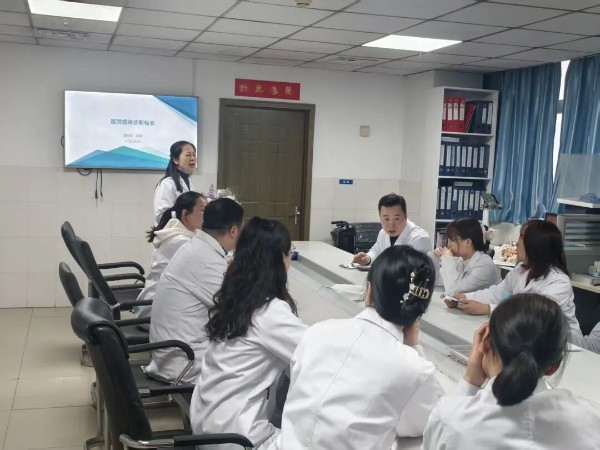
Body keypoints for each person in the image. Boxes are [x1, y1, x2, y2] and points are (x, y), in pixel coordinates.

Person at [278, 246, 444, 450]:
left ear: (369, 290)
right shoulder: (413, 368)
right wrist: (414, 348)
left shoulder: (316, 332)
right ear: (420, 310)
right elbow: (430, 422)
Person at [423, 293, 600, 449]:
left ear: (484, 342)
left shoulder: (449, 419)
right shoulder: (591, 420)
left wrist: (470, 380)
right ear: (554, 366)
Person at [190, 218, 308, 450]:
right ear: (281, 259)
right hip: (238, 437)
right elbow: (316, 349)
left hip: (208, 424)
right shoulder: (269, 311)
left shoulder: (238, 297)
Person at [145, 198, 243, 384]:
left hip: (172, 351)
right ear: (233, 231)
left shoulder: (196, 247)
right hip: (184, 360)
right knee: (255, 355)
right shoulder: (205, 259)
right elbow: (238, 308)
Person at [447, 220, 583, 346]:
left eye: (522, 238)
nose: (517, 243)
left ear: (535, 244)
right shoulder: (521, 270)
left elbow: (535, 314)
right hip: (529, 341)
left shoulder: (559, 282)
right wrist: (465, 298)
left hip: (565, 347)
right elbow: (499, 293)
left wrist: (488, 309)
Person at [135, 191, 206, 318]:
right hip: (156, 311)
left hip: (161, 303)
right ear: (185, 214)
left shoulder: (179, 235)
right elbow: (204, 272)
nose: (206, 215)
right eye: (202, 210)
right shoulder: (180, 241)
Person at [352, 194, 431, 265]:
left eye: (396, 219)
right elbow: (376, 250)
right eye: (386, 219)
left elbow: (421, 270)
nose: (391, 225)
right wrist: (368, 258)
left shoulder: (419, 238)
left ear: (405, 216)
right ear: (380, 217)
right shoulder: (383, 233)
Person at [431, 218, 500, 294]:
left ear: (467, 242)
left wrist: (447, 259)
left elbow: (452, 291)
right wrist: (435, 258)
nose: (449, 245)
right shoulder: (462, 260)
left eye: (452, 240)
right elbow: (437, 281)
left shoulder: (484, 265)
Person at [154, 140, 197, 224]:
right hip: (171, 231)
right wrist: (186, 216)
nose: (192, 158)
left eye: (194, 155)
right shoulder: (167, 184)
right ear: (175, 160)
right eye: (188, 155)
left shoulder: (189, 183)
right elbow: (161, 216)